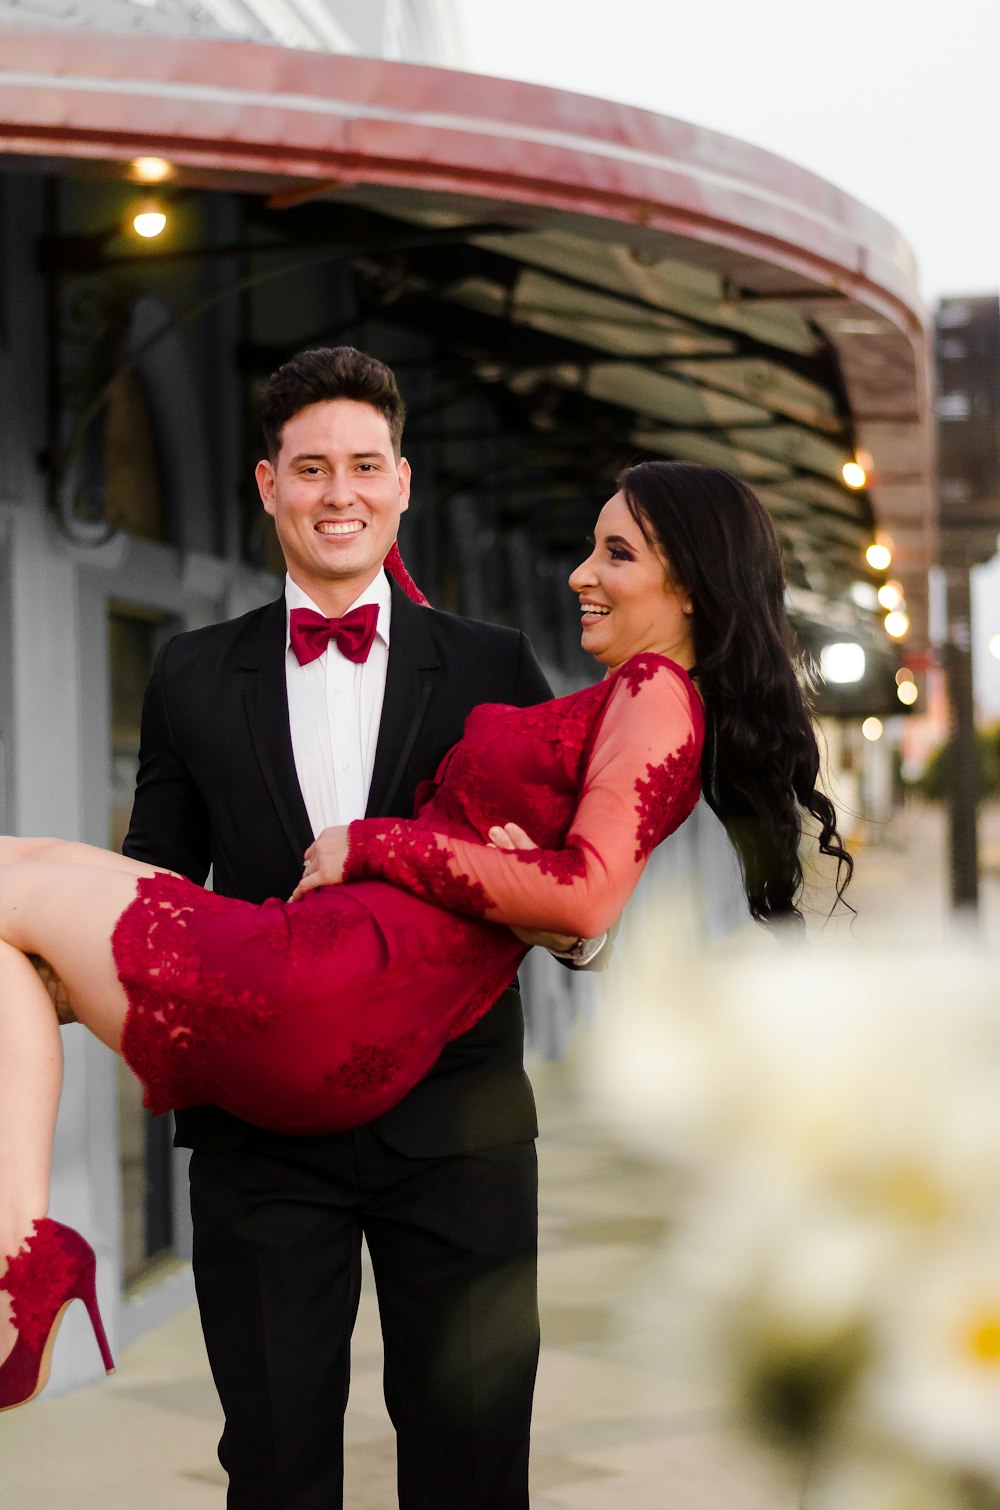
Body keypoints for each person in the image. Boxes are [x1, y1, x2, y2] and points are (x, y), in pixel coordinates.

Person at [0, 455, 852, 1472]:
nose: (581, 573)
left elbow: (584, 895)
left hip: (364, 1017)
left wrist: (374, 843)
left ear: (691, 583)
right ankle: (24, 1253)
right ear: (267, 481)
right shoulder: (631, 691)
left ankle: (26, 1259)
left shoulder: (646, 692)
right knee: (18, 930)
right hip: (325, 1015)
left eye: (615, 552)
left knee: (467, 1466)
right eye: (310, 470)